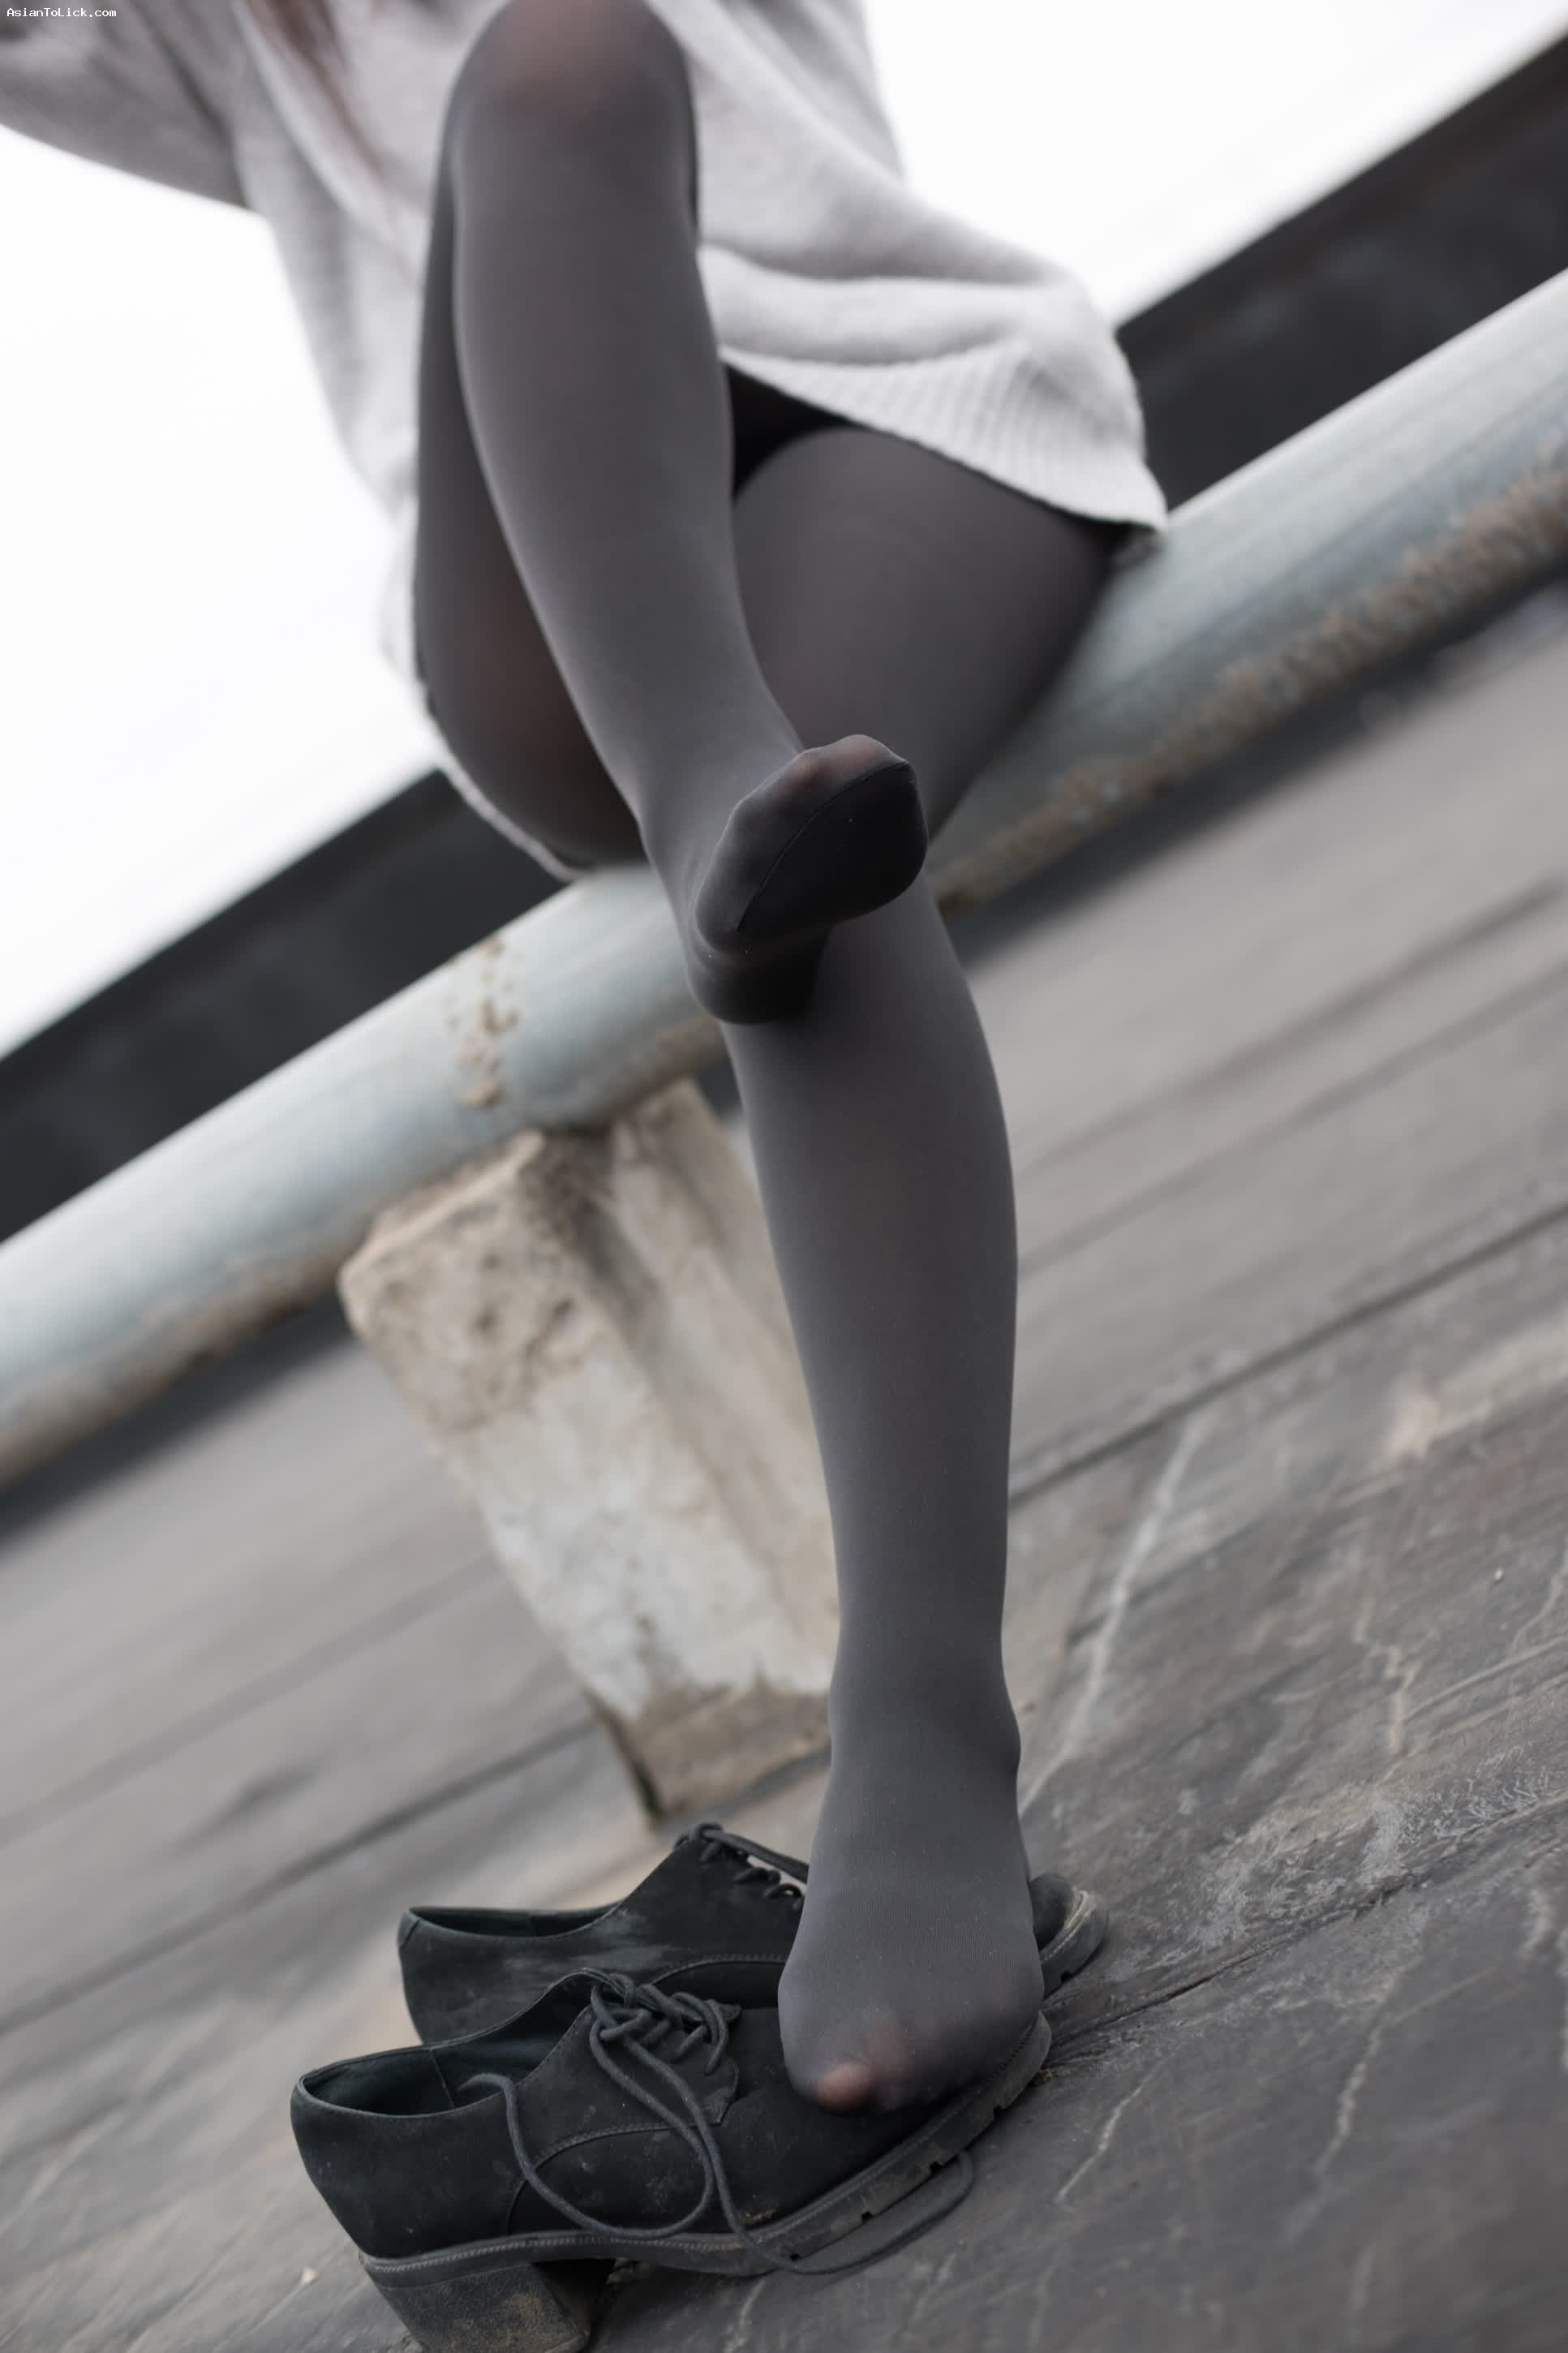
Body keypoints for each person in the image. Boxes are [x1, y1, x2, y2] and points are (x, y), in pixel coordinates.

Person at [1, 0, 1163, 2118]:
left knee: (574, 56)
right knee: (553, 80)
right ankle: (713, 789)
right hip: (551, 588)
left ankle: (920, 1739)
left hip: (905, 418)